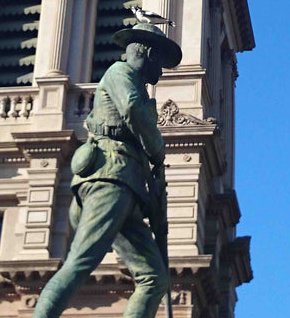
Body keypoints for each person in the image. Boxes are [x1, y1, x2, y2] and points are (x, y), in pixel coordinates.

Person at [33, 23, 182, 318]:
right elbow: (132, 111)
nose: (161, 72)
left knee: (154, 279)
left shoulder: (139, 88)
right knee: (80, 261)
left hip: (128, 186)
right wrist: (158, 148)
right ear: (148, 53)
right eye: (160, 63)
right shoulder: (120, 73)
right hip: (109, 179)